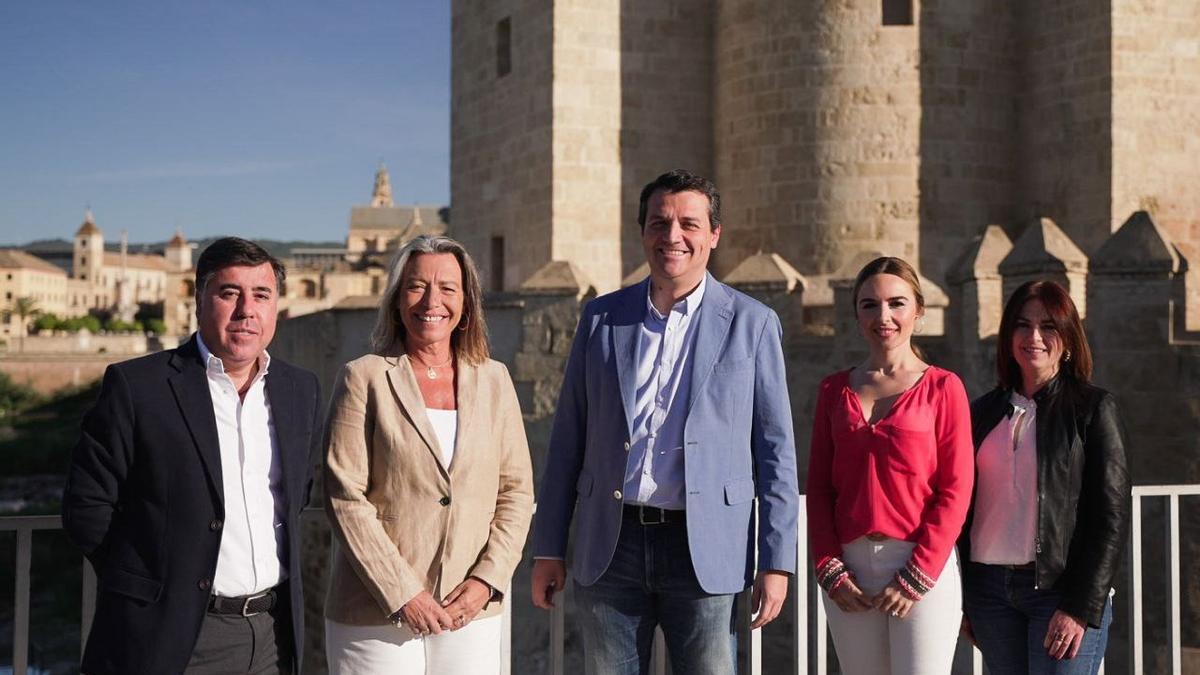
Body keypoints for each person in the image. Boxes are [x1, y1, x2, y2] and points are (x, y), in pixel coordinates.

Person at [530, 169, 800, 674]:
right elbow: (569, 438)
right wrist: (548, 546)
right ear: (643, 232)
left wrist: (777, 561)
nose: (672, 236)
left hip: (705, 547)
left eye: (689, 224)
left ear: (714, 235)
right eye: (659, 222)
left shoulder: (753, 323)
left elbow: (775, 453)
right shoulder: (601, 319)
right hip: (612, 544)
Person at [62, 237, 322, 674]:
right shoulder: (139, 387)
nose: (246, 310)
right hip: (174, 634)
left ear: (276, 305)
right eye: (229, 293)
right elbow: (86, 506)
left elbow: (299, 493)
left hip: (274, 634)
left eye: (261, 295)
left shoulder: (301, 390)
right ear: (199, 299)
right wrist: (147, 588)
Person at [323, 234, 534, 675]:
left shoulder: (495, 380)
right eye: (416, 286)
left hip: (468, 611)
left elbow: (515, 493)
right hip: (374, 611)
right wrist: (403, 593)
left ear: (466, 304)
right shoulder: (364, 378)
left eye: (447, 288)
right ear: (398, 300)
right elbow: (345, 496)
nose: (431, 301)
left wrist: (485, 582)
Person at [806, 256, 974, 674]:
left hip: (920, 564)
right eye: (869, 305)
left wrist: (918, 575)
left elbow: (956, 489)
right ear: (857, 315)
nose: (884, 316)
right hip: (850, 570)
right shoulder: (833, 389)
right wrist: (829, 567)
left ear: (918, 311)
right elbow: (820, 488)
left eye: (896, 303)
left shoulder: (943, 387)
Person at [960, 280, 1130, 674]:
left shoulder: (1094, 409)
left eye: (1048, 326)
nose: (1033, 336)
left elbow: (1111, 518)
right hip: (989, 593)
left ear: (1068, 340)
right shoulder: (981, 413)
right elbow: (962, 507)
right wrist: (966, 597)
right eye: (1022, 325)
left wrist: (1080, 607)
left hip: (1060, 592)